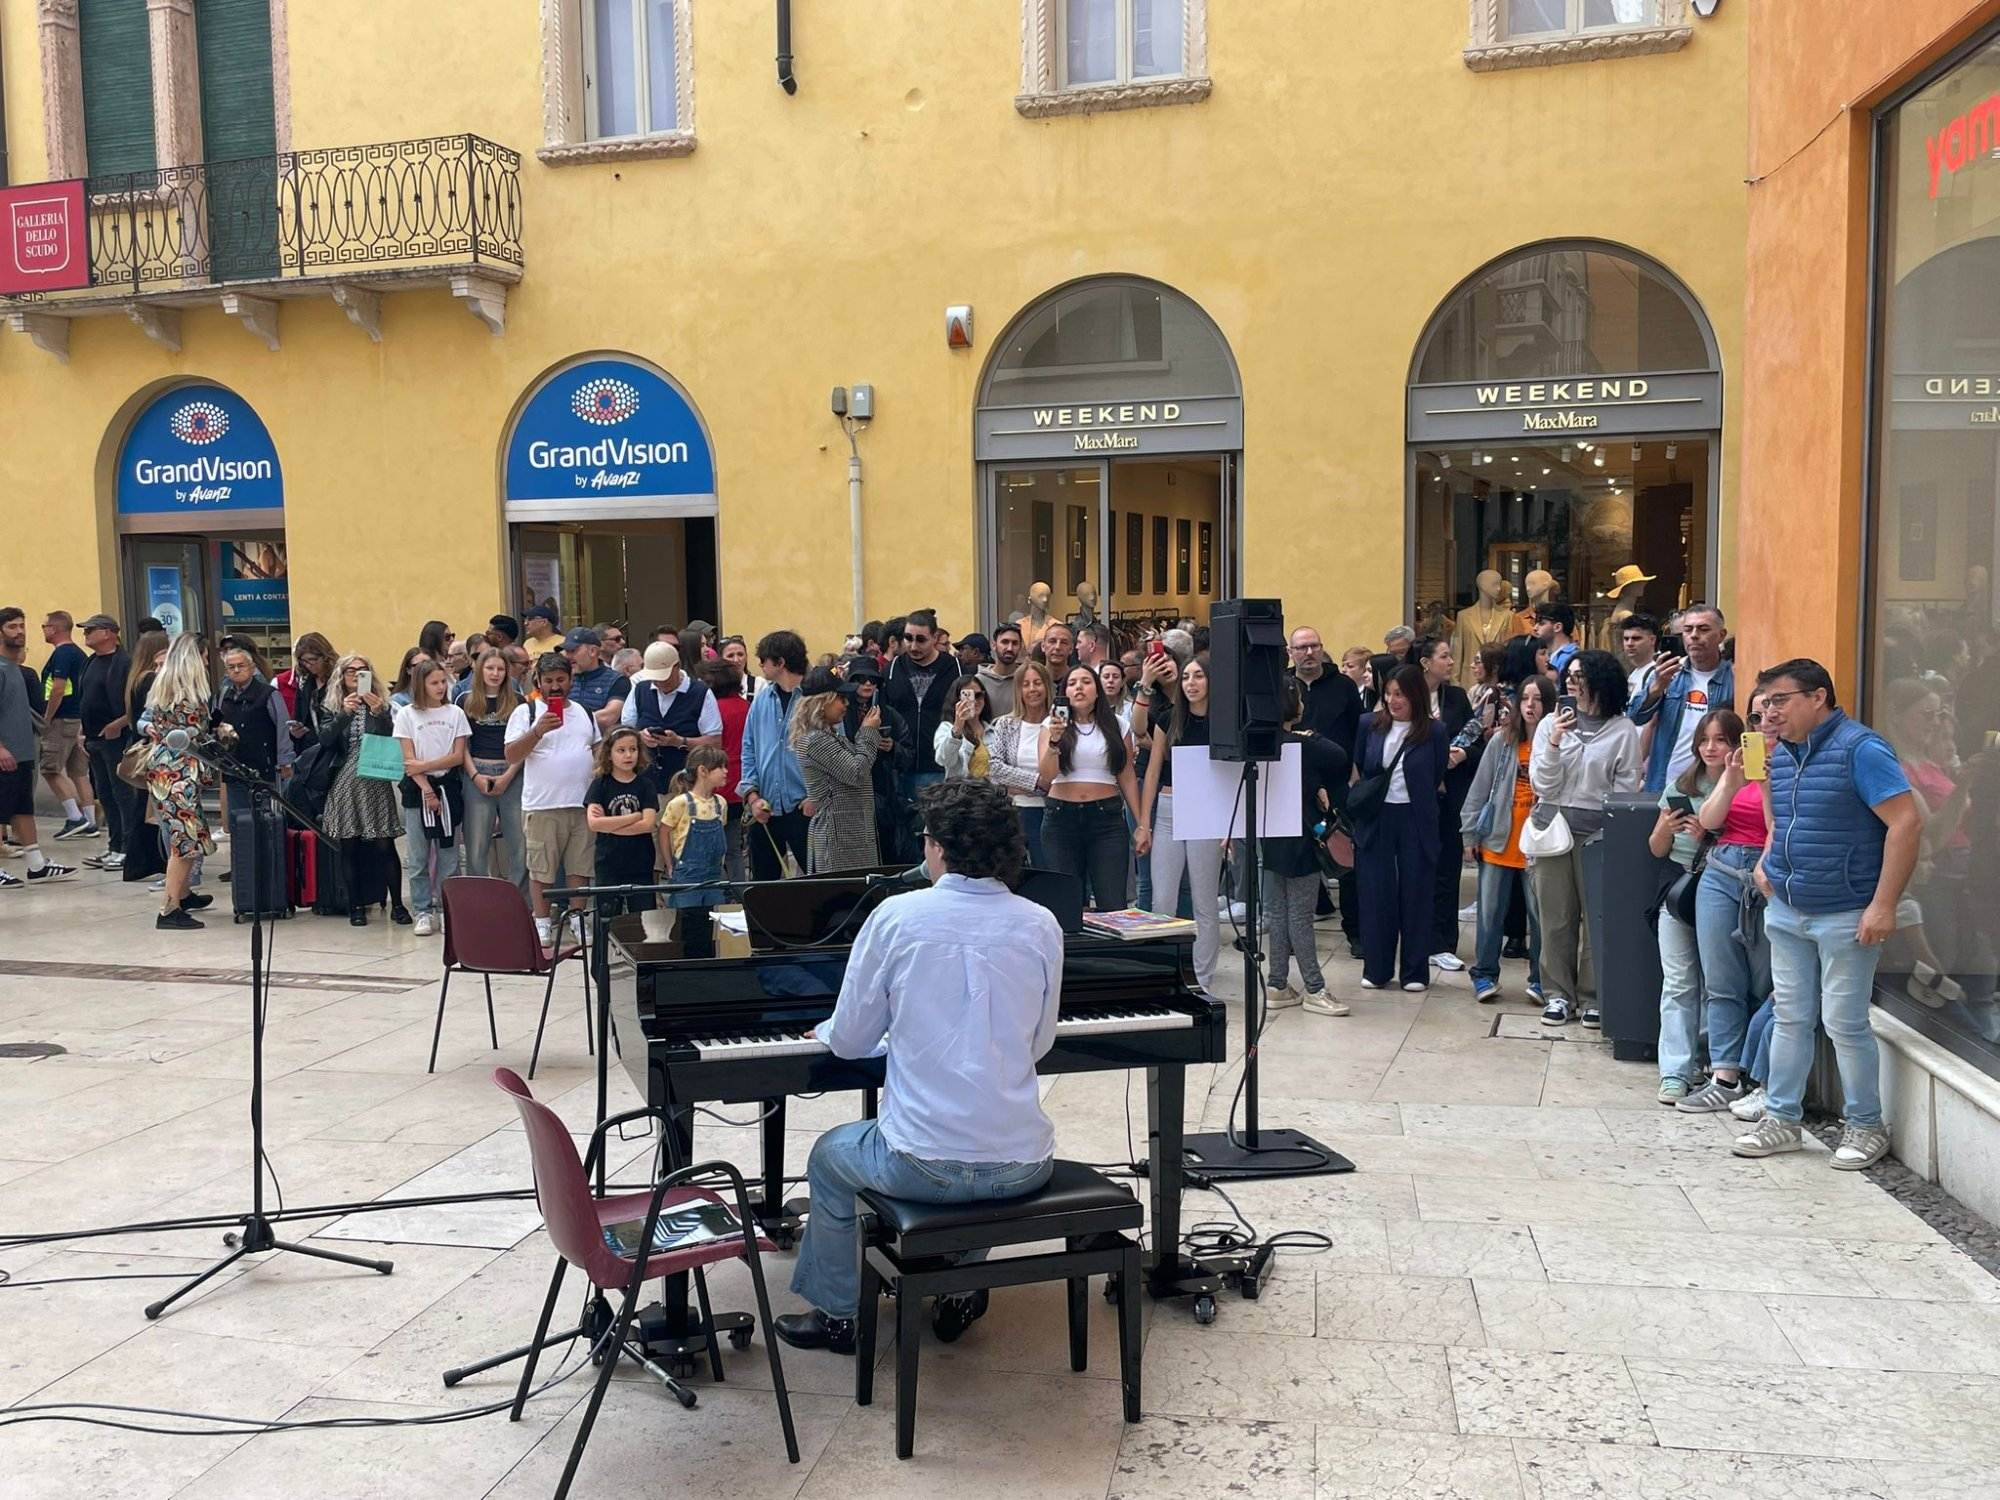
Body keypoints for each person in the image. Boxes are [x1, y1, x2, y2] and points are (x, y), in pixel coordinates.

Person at [775, 779, 1062, 1354]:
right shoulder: (1040, 923)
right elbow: (1038, 1045)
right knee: (984, 1152)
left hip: (921, 1164)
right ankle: (957, 1287)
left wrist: (840, 1032)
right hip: (1025, 1163)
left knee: (831, 1156)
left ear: (938, 847)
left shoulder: (896, 916)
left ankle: (838, 1316)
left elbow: (852, 1041)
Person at [1733, 659, 1921, 1169]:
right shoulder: (1787, 753)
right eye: (1765, 703)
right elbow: (1786, 821)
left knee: (1844, 1023)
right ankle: (1782, 1119)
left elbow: (1905, 824)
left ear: (1818, 698)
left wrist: (1883, 905)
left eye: (1780, 701)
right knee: (1791, 1018)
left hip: (1846, 911)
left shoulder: (1861, 748)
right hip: (1789, 907)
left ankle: (1865, 1126)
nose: (1769, 712)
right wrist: (1769, 865)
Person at [1529, 651, 1642, 1026]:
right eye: (1569, 675)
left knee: (1597, 920)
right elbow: (1542, 784)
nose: (1572, 682)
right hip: (1553, 831)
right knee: (1556, 917)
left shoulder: (1622, 729)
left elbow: (1626, 786)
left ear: (1600, 680)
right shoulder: (1551, 723)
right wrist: (1556, 742)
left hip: (1598, 835)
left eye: (1580, 675)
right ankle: (1558, 994)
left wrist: (1614, 833)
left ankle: (1593, 995)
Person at [1649, 707, 1739, 1104]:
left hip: (1723, 890)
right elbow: (1655, 848)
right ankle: (1674, 1070)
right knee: (1679, 981)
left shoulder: (1746, 787)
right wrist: (1668, 829)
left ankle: (1709, 1063)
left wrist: (1708, 833)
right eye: (1704, 739)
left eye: (1720, 739)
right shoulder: (1681, 785)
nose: (1710, 747)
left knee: (1717, 984)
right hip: (1680, 889)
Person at [1353, 663, 1444, 992]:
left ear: (1415, 696)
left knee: (1416, 893)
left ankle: (1415, 971)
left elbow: (1434, 776)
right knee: (1376, 893)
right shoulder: (1369, 725)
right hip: (1378, 816)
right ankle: (1376, 969)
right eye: (1389, 693)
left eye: (1400, 694)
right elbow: (1364, 766)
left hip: (1415, 818)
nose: (1393, 700)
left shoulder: (1433, 731)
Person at [1263, 678, 1352, 1016]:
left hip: (1271, 837)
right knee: (1300, 914)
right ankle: (1314, 987)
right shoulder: (1305, 744)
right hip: (1302, 837)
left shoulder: (1263, 744)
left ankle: (1277, 983)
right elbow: (1339, 757)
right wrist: (1311, 736)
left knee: (1277, 913)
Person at [1463, 675, 1551, 1004]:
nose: (1530, 705)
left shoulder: (1556, 741)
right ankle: (1484, 975)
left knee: (1541, 917)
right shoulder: (1502, 742)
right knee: (1489, 914)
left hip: (1540, 845)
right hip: (1499, 840)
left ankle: (1542, 979)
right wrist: (1470, 833)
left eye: (1539, 699)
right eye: (1526, 698)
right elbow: (1479, 789)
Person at [506, 652, 603, 948]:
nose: (555, 686)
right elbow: (511, 755)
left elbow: (598, 748)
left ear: (571, 680)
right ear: (539, 682)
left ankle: (577, 918)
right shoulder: (526, 712)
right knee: (541, 868)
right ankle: (542, 922)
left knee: (580, 867)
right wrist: (537, 732)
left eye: (561, 680)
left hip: (581, 804)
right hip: (542, 805)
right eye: (548, 681)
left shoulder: (585, 712)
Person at [1140, 655, 1225, 987]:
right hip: (1169, 807)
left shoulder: (1224, 721)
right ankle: (1165, 973)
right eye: (1186, 676)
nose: (1191, 683)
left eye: (1199, 676)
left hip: (1207, 812)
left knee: (1205, 902)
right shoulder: (1167, 718)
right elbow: (1152, 771)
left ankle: (1201, 980)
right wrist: (1144, 822)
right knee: (1163, 900)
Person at [1041, 664, 1145, 913]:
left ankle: (1108, 953)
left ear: (1097, 690)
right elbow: (1046, 775)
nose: (1079, 687)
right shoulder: (1052, 724)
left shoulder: (1118, 725)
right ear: (1064, 691)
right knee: (1066, 903)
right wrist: (1055, 741)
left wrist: (1141, 824)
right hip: (1060, 817)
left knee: (1112, 901)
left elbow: (1127, 775)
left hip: (1105, 818)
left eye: (1086, 682)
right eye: (1072, 683)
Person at [320, 653, 409, 927]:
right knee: (350, 844)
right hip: (346, 778)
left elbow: (393, 738)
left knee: (385, 843)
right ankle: (355, 904)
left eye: (363, 671)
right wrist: (344, 715)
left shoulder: (382, 704)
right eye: (351, 671)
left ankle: (398, 905)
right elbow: (324, 740)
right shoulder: (333, 706)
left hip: (376, 776)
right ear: (341, 676)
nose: (356, 677)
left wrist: (380, 713)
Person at [133, 636, 216, 926]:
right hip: (179, 774)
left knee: (190, 835)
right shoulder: (190, 696)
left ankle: (182, 894)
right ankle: (169, 909)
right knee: (184, 840)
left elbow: (147, 721)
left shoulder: (163, 686)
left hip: (163, 770)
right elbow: (196, 733)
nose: (207, 662)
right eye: (205, 656)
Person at [394, 660, 470, 937]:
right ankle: (423, 910)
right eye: (433, 683)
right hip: (418, 790)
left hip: (448, 786)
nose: (439, 687)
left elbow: (456, 756)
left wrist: (424, 767)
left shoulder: (455, 713)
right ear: (421, 685)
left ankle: (449, 908)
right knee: (418, 856)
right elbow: (408, 760)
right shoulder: (407, 715)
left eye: (442, 682)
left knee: (450, 856)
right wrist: (426, 788)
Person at [0, 617, 74, 891]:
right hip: (5, 754)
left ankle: (37, 865)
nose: (20, 632)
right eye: (12, 627)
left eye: (21, 626)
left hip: (22, 753)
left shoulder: (17, 669)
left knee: (22, 809)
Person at [1629, 604, 1734, 793]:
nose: (1694, 635)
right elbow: (1636, 717)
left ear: (1721, 635)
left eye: (1703, 629)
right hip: (1664, 782)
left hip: (1712, 787)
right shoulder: (1668, 673)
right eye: (1688, 629)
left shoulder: (1734, 678)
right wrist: (1656, 688)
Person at [1417, 637, 1474, 972]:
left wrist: (1462, 753)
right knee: (1416, 869)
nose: (1451, 662)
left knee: (1447, 868)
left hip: (1449, 795)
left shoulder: (1456, 697)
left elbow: (1475, 737)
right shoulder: (1408, 695)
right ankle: (1416, 936)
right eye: (1444, 656)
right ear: (1426, 662)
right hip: (1414, 796)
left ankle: (1442, 941)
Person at [738, 630, 811, 880]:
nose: (759, 665)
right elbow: (748, 747)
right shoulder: (761, 699)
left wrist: (817, 797)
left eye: (764, 660)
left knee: (819, 881)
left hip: (805, 807)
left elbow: (836, 751)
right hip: (765, 807)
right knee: (762, 887)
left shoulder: (815, 699)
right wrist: (752, 794)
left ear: (780, 663)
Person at [792, 665, 880, 872]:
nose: (846, 704)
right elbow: (856, 772)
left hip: (849, 835)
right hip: (839, 839)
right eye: (840, 698)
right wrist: (868, 733)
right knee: (844, 901)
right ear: (822, 703)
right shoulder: (816, 740)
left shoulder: (828, 736)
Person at [459, 647, 528, 898]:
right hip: (477, 772)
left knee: (519, 843)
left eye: (500, 669)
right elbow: (461, 746)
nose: (495, 673)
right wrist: (476, 776)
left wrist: (508, 775)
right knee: (477, 845)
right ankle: (480, 899)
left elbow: (524, 745)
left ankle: (519, 899)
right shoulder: (464, 700)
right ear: (480, 670)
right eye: (490, 668)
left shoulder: (519, 702)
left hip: (512, 773)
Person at [881, 608, 959, 809]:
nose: (913, 645)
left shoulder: (954, 668)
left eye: (920, 639)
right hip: (900, 768)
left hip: (940, 766)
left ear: (935, 638)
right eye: (908, 638)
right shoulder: (891, 669)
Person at [621, 639, 723, 790]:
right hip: (645, 783)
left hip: (687, 784)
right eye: (655, 678)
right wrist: (639, 737)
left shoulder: (700, 693)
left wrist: (679, 741)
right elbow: (625, 730)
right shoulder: (640, 690)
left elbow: (715, 742)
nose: (660, 682)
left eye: (664, 677)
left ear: (677, 667)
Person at [840, 655, 911, 873]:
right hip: (850, 791)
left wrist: (893, 748)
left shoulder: (889, 713)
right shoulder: (840, 713)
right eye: (861, 679)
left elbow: (909, 755)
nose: (868, 684)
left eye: (873, 680)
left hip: (883, 791)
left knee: (886, 851)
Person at [659, 744, 731, 956]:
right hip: (687, 876)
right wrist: (669, 864)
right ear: (703, 771)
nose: (726, 771)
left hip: (714, 875)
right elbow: (663, 832)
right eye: (720, 767)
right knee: (687, 927)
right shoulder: (680, 803)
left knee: (715, 928)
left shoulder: (721, 803)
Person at [76, 615, 133, 871]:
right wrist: (81, 730)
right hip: (93, 739)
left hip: (115, 739)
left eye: (91, 630)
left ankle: (128, 848)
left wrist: (118, 724)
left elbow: (135, 702)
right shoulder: (91, 662)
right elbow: (86, 698)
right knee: (106, 794)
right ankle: (114, 845)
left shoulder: (124, 663)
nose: (86, 634)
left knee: (122, 794)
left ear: (109, 633)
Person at [985, 659, 1053, 867]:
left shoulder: (1058, 723)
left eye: (1037, 683)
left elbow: (1063, 771)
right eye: (1026, 684)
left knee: (1048, 872)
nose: (1032, 689)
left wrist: (1016, 784)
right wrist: (1037, 782)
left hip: (1052, 811)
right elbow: (995, 768)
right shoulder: (1006, 724)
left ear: (1047, 686)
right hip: (1018, 811)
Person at [585, 726, 660, 916]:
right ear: (609, 754)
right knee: (607, 918)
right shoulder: (600, 784)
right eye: (621, 750)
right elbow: (594, 824)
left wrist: (609, 824)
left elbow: (647, 825)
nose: (628, 755)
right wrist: (633, 817)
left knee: (644, 917)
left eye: (633, 749)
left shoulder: (645, 785)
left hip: (640, 862)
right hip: (608, 862)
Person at [37, 611, 97, 840]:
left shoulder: (62, 654)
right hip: (78, 719)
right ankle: (90, 822)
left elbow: (58, 689)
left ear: (54, 628)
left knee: (50, 769)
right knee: (78, 772)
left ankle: (76, 817)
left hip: (62, 719)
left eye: (44, 626)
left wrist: (47, 717)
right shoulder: (80, 654)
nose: (42, 630)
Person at [698, 656, 753, 881]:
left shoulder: (712, 710)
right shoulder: (747, 706)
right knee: (734, 849)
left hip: (714, 783)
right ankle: (741, 894)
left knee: (711, 850)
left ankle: (717, 893)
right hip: (740, 783)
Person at [562, 627, 631, 729]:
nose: (568, 656)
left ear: (593, 651)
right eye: (566, 651)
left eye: (573, 650)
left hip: (601, 743)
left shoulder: (617, 681)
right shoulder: (562, 680)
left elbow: (608, 717)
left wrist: (567, 719)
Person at [278, 633, 336, 748]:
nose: (308, 665)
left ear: (325, 656)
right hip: (311, 748)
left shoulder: (339, 680)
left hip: (335, 747)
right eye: (304, 661)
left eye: (312, 659)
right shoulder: (305, 681)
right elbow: (299, 715)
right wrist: (295, 731)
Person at [933, 674, 994, 779]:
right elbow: (944, 760)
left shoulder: (993, 730)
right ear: (957, 700)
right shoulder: (947, 728)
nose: (974, 701)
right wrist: (957, 729)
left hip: (990, 792)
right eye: (967, 696)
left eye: (978, 695)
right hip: (961, 792)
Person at [978, 623, 1023, 718]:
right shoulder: (979, 681)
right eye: (1005, 642)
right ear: (994, 645)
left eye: (1015, 643)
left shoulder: (1026, 680)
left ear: (1020, 647)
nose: (1010, 648)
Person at [1532, 603, 1580, 680]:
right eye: (1535, 623)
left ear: (1557, 627)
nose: (1535, 628)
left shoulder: (1571, 658)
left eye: (1541, 623)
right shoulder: (1543, 654)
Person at [1620, 613, 1661, 699]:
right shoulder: (1635, 672)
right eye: (1626, 639)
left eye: (1636, 638)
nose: (1629, 644)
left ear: (1652, 640)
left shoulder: (1658, 673)